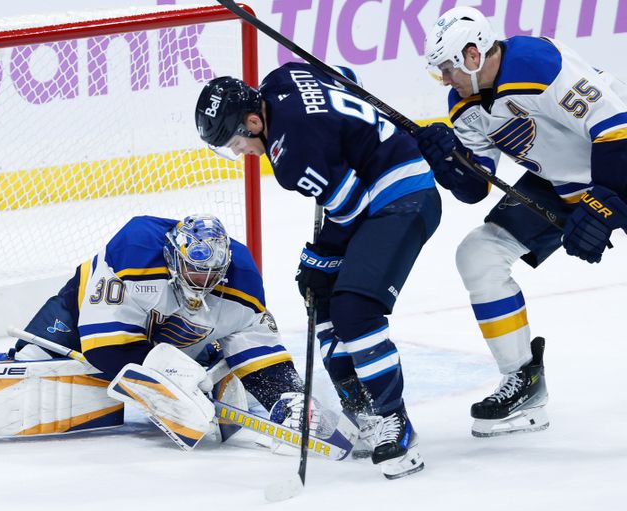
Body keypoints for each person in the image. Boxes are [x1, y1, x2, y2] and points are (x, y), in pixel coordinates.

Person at [0, 214, 323, 456]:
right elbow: (104, 349)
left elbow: (256, 346)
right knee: (33, 367)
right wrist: (164, 384)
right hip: (84, 313)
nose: (201, 281)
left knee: (213, 371)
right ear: (173, 256)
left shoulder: (243, 281)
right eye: (192, 270)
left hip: (172, 339)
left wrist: (288, 398)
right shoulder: (132, 255)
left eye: (210, 273)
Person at [195, 64, 442, 479]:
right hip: (378, 187)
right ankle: (361, 410)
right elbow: (347, 78)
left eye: (236, 141)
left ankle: (394, 421)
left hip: (403, 194)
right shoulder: (282, 77)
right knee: (321, 296)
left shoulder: (291, 155)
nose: (239, 152)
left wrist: (320, 256)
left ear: (254, 121)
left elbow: (350, 209)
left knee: (354, 309)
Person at [415, 6, 627, 437]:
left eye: (447, 68)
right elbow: (477, 187)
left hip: (618, 164)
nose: (445, 79)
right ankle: (523, 382)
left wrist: (604, 205)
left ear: (472, 55)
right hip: (561, 183)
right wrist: (448, 161)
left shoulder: (538, 64)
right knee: (479, 254)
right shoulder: (462, 103)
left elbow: (615, 128)